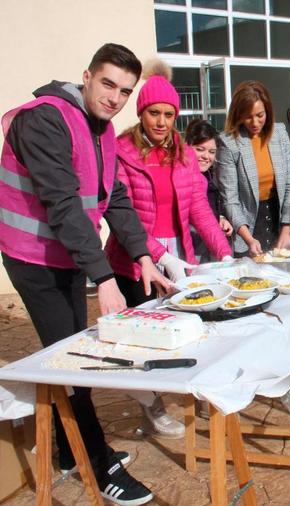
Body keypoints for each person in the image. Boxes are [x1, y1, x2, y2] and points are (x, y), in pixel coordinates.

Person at [0, 43, 170, 505]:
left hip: (68, 258)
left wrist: (144, 256)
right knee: (72, 361)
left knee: (71, 353)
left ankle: (69, 454)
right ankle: (97, 461)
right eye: (108, 84)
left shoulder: (102, 129)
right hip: (34, 258)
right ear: (87, 76)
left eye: (124, 91)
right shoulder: (45, 120)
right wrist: (105, 279)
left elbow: (114, 199)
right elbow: (63, 205)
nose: (115, 97)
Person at [104, 60, 233, 438]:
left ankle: (196, 391)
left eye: (168, 114)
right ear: (141, 112)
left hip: (180, 255)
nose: (161, 122)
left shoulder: (184, 153)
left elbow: (199, 209)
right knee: (143, 339)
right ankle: (153, 406)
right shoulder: (122, 150)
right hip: (135, 258)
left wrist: (223, 254)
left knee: (188, 327)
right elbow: (124, 216)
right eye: (153, 113)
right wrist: (159, 257)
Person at [216, 81, 290, 256]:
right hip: (247, 226)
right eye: (247, 116)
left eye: (260, 115)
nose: (255, 122)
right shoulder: (228, 142)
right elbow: (230, 200)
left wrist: (287, 228)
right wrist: (249, 239)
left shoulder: (280, 133)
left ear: (267, 110)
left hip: (279, 218)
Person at [184, 119, 234, 263]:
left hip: (209, 248)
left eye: (212, 152)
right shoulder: (182, 177)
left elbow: (207, 210)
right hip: (190, 252)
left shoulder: (209, 176)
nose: (207, 156)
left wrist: (220, 218)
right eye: (200, 149)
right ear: (187, 146)